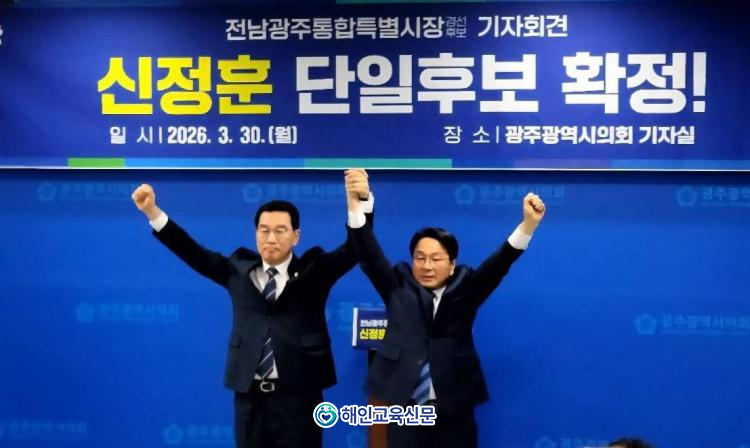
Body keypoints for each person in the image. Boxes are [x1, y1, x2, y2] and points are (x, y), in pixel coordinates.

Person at [131, 171, 372, 448]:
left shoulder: (314, 270)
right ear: (256, 233)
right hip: (250, 398)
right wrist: (152, 212)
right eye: (264, 230)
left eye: (280, 230)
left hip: (300, 397)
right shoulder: (237, 270)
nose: (271, 238)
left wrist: (360, 202)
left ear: (296, 236)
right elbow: (192, 252)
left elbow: (355, 249)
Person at [344, 172, 545, 448]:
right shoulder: (397, 283)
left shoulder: (467, 286)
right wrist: (357, 205)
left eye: (436, 259)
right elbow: (367, 254)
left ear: (451, 265)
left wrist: (527, 225)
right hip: (407, 408)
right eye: (420, 258)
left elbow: (501, 262)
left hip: (454, 407)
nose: (427, 266)